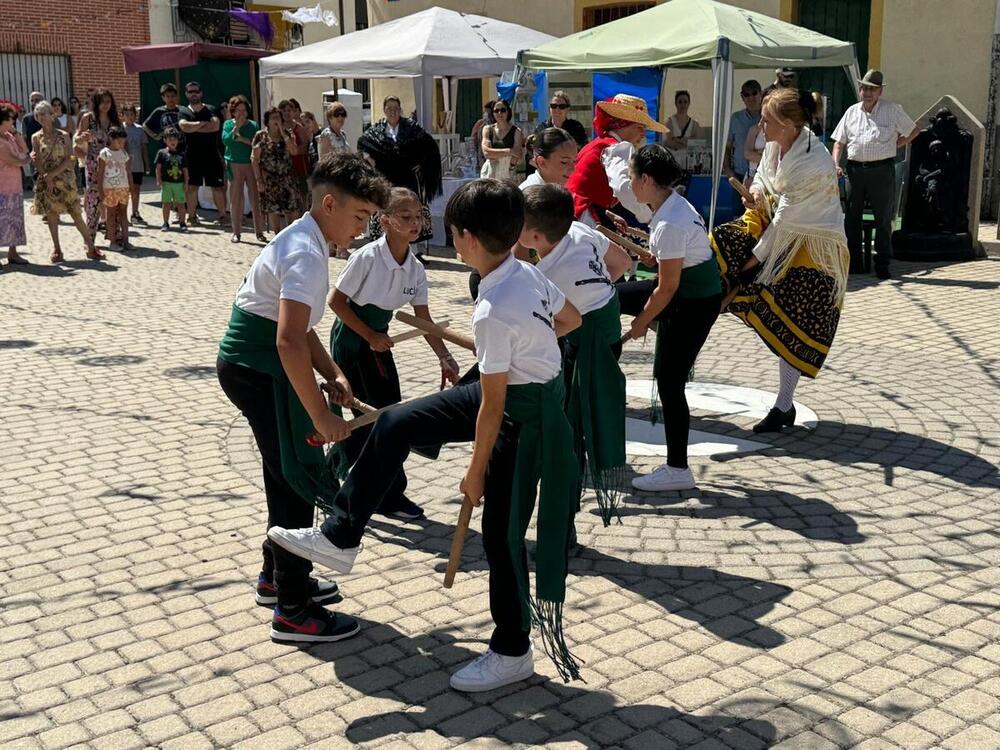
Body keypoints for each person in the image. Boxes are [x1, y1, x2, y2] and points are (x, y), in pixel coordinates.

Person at [265, 179, 584, 690]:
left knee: (502, 537)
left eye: (450, 233)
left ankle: (512, 650)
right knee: (397, 420)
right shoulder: (522, 272)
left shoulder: (493, 306)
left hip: (523, 416)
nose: (447, 241)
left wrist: (475, 473)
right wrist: (530, 347)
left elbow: (495, 407)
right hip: (507, 392)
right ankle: (340, 537)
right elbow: (569, 318)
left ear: (468, 239)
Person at [216, 152, 391, 643]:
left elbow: (299, 327)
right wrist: (320, 415)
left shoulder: (306, 237)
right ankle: (293, 610)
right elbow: (287, 339)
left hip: (259, 368)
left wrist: (332, 371)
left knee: (284, 471)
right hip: (261, 371)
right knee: (297, 475)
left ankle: (277, 577)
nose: (361, 229)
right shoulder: (307, 253)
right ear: (329, 203)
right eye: (359, 217)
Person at [712, 88, 849, 432]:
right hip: (778, 232)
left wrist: (752, 263)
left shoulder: (813, 161)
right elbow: (761, 176)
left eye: (767, 120)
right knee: (723, 246)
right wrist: (755, 193)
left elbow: (785, 222)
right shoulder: (776, 143)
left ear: (788, 124)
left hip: (814, 248)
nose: (760, 124)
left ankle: (783, 405)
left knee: (793, 321)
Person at [327, 186, 460, 521]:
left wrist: (445, 357)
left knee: (389, 416)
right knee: (366, 418)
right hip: (353, 341)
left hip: (378, 341)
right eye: (406, 217)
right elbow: (336, 303)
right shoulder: (367, 257)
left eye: (419, 216)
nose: (415, 223)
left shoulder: (414, 267)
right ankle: (376, 493)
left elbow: (423, 319)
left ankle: (376, 488)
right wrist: (369, 334)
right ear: (384, 220)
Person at [519, 183, 630, 522]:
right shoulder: (580, 230)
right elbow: (622, 262)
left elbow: (547, 326)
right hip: (608, 324)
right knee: (576, 416)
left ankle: (567, 496)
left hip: (587, 341)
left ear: (536, 236)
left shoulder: (544, 276)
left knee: (572, 423)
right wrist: (594, 290)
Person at [622, 145, 723, 492]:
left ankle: (678, 467)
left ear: (647, 180)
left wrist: (641, 322)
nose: (630, 182)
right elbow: (668, 263)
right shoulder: (671, 205)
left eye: (632, 176)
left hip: (693, 302)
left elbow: (665, 290)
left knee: (669, 382)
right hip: (689, 291)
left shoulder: (668, 221)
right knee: (613, 297)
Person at [832, 69, 919, 279]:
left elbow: (914, 130)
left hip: (881, 170)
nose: (868, 92)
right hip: (854, 170)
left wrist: (897, 145)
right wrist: (835, 163)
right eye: (865, 88)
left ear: (880, 91)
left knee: (883, 218)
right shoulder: (851, 112)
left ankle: (882, 264)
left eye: (872, 89)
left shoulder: (892, 110)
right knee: (851, 218)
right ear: (860, 90)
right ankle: (854, 263)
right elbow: (838, 142)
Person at [566, 93, 665, 229]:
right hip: (583, 215)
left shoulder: (600, 144)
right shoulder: (620, 147)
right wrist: (649, 217)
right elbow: (622, 187)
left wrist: (608, 214)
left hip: (571, 212)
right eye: (640, 127)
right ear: (623, 124)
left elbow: (588, 189)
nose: (643, 134)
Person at [358, 96, 441, 249]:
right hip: (386, 180)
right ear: (384, 110)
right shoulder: (377, 131)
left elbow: (429, 145)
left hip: (407, 179)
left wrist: (420, 164)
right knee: (387, 211)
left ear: (400, 110)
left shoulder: (411, 128)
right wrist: (371, 161)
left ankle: (413, 251)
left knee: (409, 211)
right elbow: (363, 144)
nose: (392, 112)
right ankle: (385, 248)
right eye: (389, 108)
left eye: (395, 108)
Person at [30, 100, 99, 263]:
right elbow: (37, 159)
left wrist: (52, 175)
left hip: (65, 179)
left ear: (52, 115)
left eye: (44, 113)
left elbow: (69, 159)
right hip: (47, 180)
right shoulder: (35, 137)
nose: (41, 117)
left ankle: (90, 246)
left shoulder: (64, 135)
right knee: (52, 215)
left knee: (75, 213)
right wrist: (46, 177)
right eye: (38, 114)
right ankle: (57, 249)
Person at [179, 81, 228, 227]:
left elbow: (215, 126)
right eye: (190, 91)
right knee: (192, 187)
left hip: (212, 154)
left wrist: (193, 126)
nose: (193, 94)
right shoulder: (183, 111)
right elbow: (183, 126)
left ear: (201, 93)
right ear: (186, 94)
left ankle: (223, 216)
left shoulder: (211, 109)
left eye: (196, 91)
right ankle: (192, 217)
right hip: (192, 155)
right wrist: (202, 124)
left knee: (217, 187)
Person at [75, 88, 122, 236]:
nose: (105, 105)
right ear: (96, 103)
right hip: (93, 164)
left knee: (113, 198)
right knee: (93, 199)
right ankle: (90, 237)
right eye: (101, 102)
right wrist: (82, 138)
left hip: (112, 164)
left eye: (108, 101)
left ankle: (113, 233)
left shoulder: (115, 120)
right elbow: (76, 140)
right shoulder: (88, 118)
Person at [222, 94, 265, 243]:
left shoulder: (253, 125)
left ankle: (259, 231)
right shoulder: (228, 124)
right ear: (233, 112)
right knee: (236, 199)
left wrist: (241, 139)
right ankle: (236, 232)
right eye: (238, 110)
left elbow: (256, 143)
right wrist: (236, 128)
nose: (241, 113)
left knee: (255, 198)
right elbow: (226, 141)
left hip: (250, 164)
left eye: (243, 110)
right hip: (234, 164)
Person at [252, 108, 302, 234]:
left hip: (287, 178)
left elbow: (294, 151)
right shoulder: (261, 136)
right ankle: (277, 235)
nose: (276, 120)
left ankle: (291, 236)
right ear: (267, 122)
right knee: (273, 210)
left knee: (292, 210)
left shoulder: (287, 134)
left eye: (278, 118)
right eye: (273, 118)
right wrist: (259, 180)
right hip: (270, 179)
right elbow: (254, 158)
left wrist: (283, 133)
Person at [526, 91, 588, 177]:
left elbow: (584, 151)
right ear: (549, 109)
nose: (557, 110)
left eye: (561, 106)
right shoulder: (541, 128)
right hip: (546, 176)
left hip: (570, 173)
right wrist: (549, 171)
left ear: (567, 109)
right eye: (554, 106)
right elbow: (530, 156)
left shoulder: (576, 127)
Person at [0, 103, 30, 269]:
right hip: (1, 187)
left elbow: (24, 150)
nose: (13, 122)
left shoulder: (10, 136)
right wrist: (24, 160)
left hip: (14, 185)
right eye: (11, 119)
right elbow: (13, 159)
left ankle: (13, 253)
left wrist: (17, 134)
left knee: (14, 220)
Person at [95, 126, 133, 251]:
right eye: (119, 141)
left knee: (123, 214)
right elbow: (100, 173)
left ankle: (126, 241)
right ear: (111, 139)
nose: (121, 144)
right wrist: (100, 190)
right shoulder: (104, 153)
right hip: (109, 189)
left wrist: (131, 187)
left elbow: (128, 172)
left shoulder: (124, 154)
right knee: (110, 215)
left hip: (123, 188)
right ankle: (112, 242)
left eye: (123, 142)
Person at [726, 80, 762, 191]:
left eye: (754, 93)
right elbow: (727, 146)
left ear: (761, 94)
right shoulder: (735, 118)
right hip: (739, 175)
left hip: (763, 175)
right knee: (738, 209)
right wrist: (728, 171)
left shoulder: (769, 117)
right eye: (746, 94)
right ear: (742, 97)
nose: (751, 97)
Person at [480, 100, 524, 183]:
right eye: (496, 111)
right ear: (493, 113)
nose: (499, 113)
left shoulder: (516, 131)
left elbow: (518, 153)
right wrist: (509, 151)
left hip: (508, 172)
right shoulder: (487, 129)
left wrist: (496, 154)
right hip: (490, 173)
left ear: (508, 111)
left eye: (503, 110)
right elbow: (486, 153)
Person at [155, 126, 188, 231]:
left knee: (181, 204)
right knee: (166, 203)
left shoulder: (182, 154)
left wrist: (186, 182)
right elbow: (158, 168)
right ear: (165, 140)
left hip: (179, 183)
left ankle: (182, 222)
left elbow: (185, 170)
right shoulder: (161, 153)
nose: (173, 142)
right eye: (170, 139)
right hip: (166, 183)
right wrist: (158, 179)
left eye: (175, 139)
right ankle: (165, 223)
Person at [143, 83, 191, 152]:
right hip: (166, 150)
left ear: (176, 96)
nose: (170, 99)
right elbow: (145, 125)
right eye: (168, 96)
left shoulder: (183, 110)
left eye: (173, 96)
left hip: (182, 148)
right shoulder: (159, 111)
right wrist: (155, 136)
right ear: (163, 98)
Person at [122, 105, 149, 225]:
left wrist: (147, 164)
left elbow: (144, 147)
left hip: (137, 165)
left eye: (132, 114)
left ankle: (135, 213)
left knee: (136, 190)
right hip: (123, 166)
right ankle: (123, 216)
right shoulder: (119, 129)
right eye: (127, 114)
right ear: (122, 115)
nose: (130, 117)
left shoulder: (140, 129)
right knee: (125, 191)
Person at [664, 90, 700, 170]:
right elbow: (669, 143)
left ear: (689, 103)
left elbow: (696, 143)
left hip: (689, 162)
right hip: (673, 161)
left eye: (685, 101)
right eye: (680, 102)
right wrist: (686, 142)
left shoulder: (694, 124)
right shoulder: (669, 121)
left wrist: (677, 139)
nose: (682, 105)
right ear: (676, 104)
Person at [470, 100, 495, 172]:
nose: (486, 114)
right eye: (485, 112)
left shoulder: (498, 125)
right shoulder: (481, 123)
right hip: (481, 155)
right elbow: (472, 139)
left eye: (488, 112)